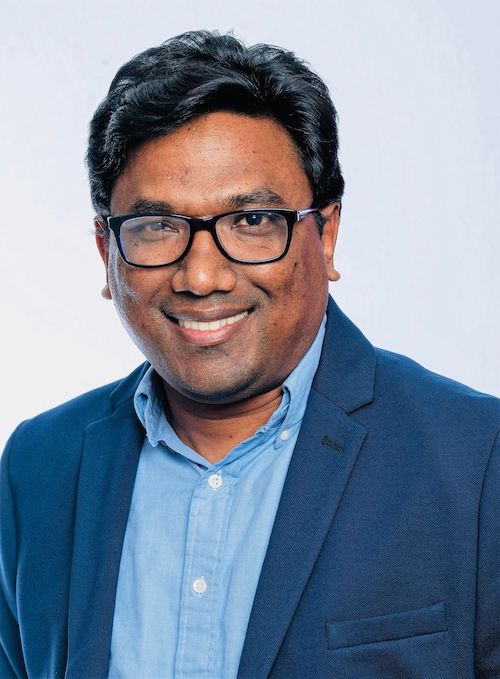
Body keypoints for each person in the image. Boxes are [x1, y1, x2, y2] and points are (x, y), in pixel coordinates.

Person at [0, 29, 498, 679]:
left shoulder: (478, 460)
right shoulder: (37, 468)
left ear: (326, 234)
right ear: (107, 253)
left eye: (253, 222)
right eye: (156, 226)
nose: (202, 276)